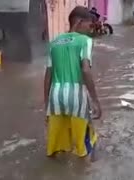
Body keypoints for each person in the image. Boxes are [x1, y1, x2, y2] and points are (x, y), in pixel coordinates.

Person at [44, 6, 101, 158]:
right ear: (79, 22)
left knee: (56, 145)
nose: (91, 30)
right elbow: (86, 70)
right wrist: (95, 101)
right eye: (90, 25)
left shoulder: (54, 42)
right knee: (84, 145)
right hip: (77, 96)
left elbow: (48, 74)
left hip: (55, 95)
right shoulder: (85, 41)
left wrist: (46, 104)